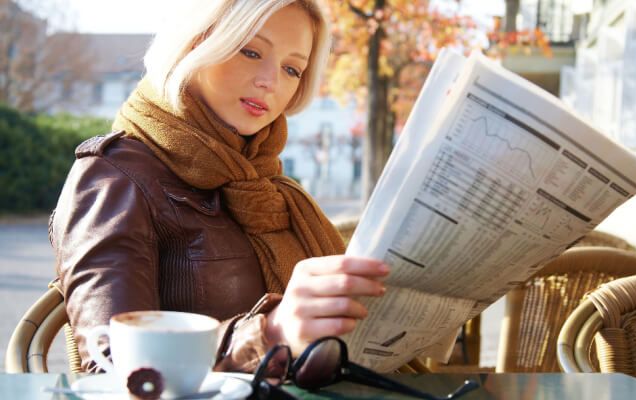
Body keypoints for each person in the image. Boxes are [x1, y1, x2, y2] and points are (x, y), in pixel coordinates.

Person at [50, 0, 389, 373]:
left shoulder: (267, 185)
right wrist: (269, 333)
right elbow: (112, 366)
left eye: (292, 68)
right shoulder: (115, 174)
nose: (270, 81)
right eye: (250, 51)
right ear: (195, 43)